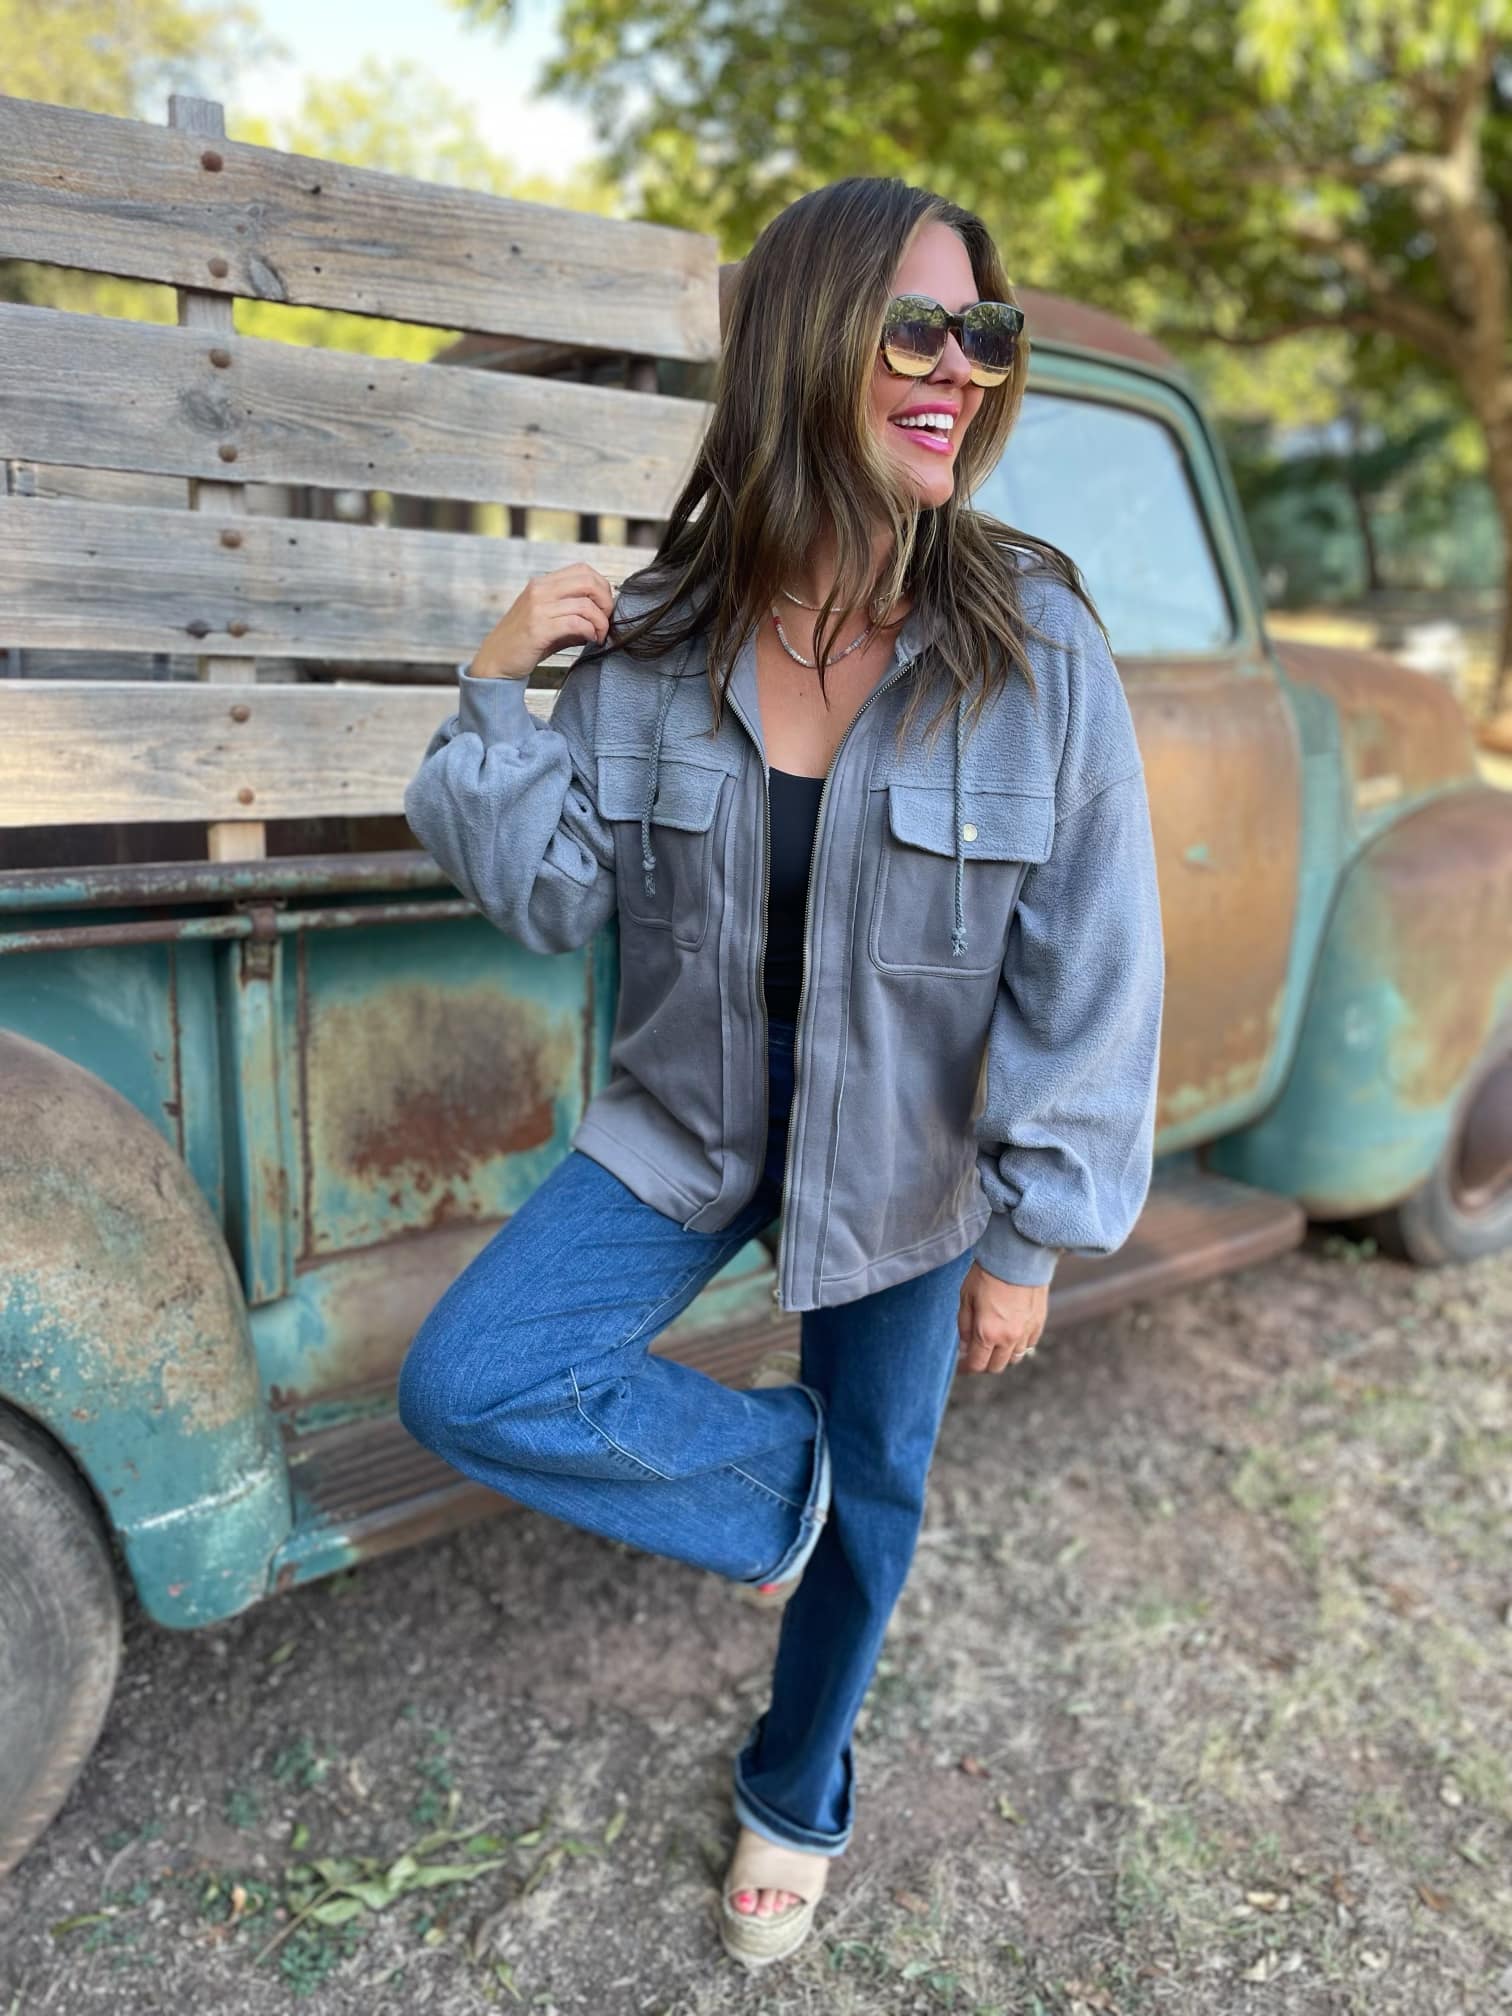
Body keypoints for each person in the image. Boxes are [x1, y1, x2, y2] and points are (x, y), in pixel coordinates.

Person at [396, 174, 1165, 1971]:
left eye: (986, 334)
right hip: (693, 1114)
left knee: (885, 1504)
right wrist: (495, 693)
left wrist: (1032, 1237)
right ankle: (783, 1493)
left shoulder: (1036, 642)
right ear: (809, 343)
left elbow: (1092, 958)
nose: (962, 369)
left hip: (909, 1146)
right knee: (470, 1380)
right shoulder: (666, 632)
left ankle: (797, 1788)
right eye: (920, 328)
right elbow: (550, 894)